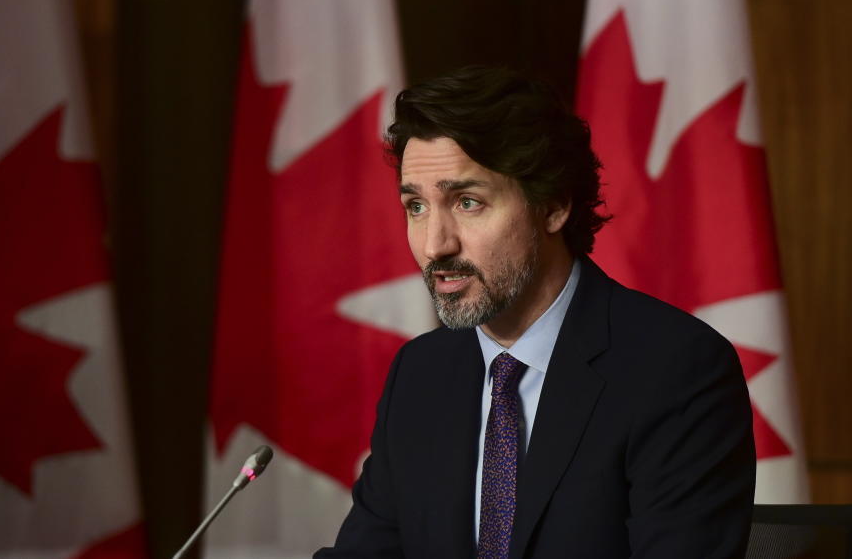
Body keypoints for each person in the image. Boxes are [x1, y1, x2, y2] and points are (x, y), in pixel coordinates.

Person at [315, 66, 755, 558]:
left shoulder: (677, 370)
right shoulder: (420, 373)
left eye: (466, 202)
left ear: (553, 205)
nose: (435, 244)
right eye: (415, 206)